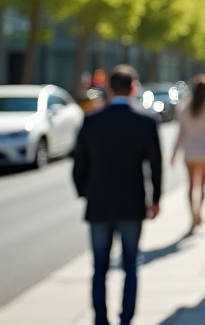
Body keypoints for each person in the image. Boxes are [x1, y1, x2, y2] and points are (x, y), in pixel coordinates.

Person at [72, 64, 162, 325]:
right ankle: (126, 319)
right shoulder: (145, 121)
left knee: (99, 267)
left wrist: (85, 193)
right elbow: (155, 165)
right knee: (130, 266)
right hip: (131, 202)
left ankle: (101, 319)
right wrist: (155, 199)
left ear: (109, 87)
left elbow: (79, 165)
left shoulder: (91, 120)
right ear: (134, 88)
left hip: (98, 203)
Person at [171, 74, 205, 229]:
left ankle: (193, 214)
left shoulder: (185, 108)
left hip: (190, 152)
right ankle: (199, 212)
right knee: (203, 185)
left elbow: (181, 133)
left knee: (191, 186)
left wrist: (174, 153)